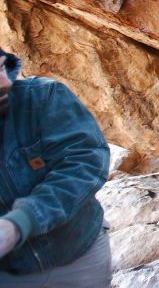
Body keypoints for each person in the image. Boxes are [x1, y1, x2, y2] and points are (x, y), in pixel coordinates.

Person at [0, 49, 111, 288]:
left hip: (79, 253)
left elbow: (85, 162)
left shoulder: (42, 96)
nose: (5, 81)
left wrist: (21, 221)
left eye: (0, 67)